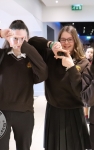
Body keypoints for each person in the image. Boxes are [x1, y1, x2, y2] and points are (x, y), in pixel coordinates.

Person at [28, 25, 91, 150]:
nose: (66, 43)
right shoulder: (51, 56)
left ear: (75, 41)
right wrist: (50, 44)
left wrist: (71, 66)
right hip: (55, 110)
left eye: (70, 39)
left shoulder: (82, 62)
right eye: (63, 39)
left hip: (75, 111)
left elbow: (81, 90)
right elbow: (32, 42)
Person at [0, 20, 48, 150]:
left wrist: (26, 47)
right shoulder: (2, 56)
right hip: (2, 112)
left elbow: (43, 73)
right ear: (9, 38)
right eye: (15, 38)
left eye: (23, 39)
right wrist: (0, 33)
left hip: (24, 113)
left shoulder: (31, 59)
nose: (19, 42)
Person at [83, 46, 94, 124]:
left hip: (93, 84)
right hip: (85, 84)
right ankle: (86, 117)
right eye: (88, 52)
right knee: (85, 103)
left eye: (92, 52)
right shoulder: (83, 62)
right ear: (85, 53)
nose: (90, 54)